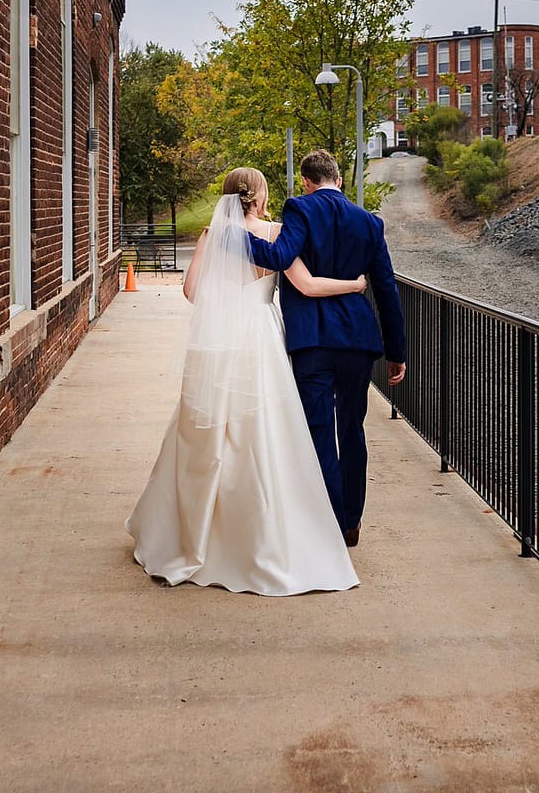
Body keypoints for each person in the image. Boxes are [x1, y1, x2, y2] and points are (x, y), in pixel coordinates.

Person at [125, 168, 363, 595]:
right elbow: (306, 286)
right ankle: (261, 535)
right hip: (260, 337)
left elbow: (192, 291)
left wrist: (225, 301)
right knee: (263, 431)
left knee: (208, 427)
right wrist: (356, 283)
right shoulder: (276, 233)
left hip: (218, 340)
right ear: (261, 195)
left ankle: (191, 532)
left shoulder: (212, 234)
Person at [245, 149, 407, 548]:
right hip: (358, 342)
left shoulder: (299, 209)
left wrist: (234, 234)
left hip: (313, 343)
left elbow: (280, 257)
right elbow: (386, 289)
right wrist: (397, 351)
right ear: (338, 179)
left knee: (319, 431)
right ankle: (351, 522)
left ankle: (329, 523)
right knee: (352, 430)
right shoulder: (370, 223)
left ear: (305, 181)